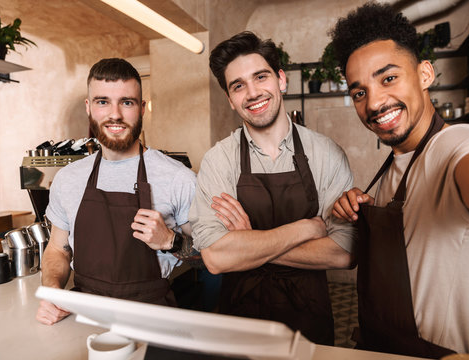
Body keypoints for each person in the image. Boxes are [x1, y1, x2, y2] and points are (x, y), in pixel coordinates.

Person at [330, 2, 469, 357]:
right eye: (359, 92)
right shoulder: (392, 164)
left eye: (388, 78)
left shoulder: (458, 146)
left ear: (424, 74)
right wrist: (364, 207)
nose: (374, 103)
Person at [188, 31, 356, 346]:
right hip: (241, 325)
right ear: (230, 98)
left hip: (310, 326)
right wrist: (309, 228)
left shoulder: (325, 153)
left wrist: (248, 242)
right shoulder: (218, 160)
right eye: (238, 86)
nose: (252, 92)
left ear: (280, 79)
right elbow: (215, 259)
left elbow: (343, 253)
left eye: (260, 77)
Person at [36, 58, 197, 325]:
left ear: (142, 108)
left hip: (151, 320)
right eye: (102, 102)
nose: (115, 115)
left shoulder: (178, 177)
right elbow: (58, 250)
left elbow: (211, 258)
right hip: (83, 318)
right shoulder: (68, 179)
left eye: (127, 102)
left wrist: (172, 241)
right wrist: (52, 290)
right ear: (89, 107)